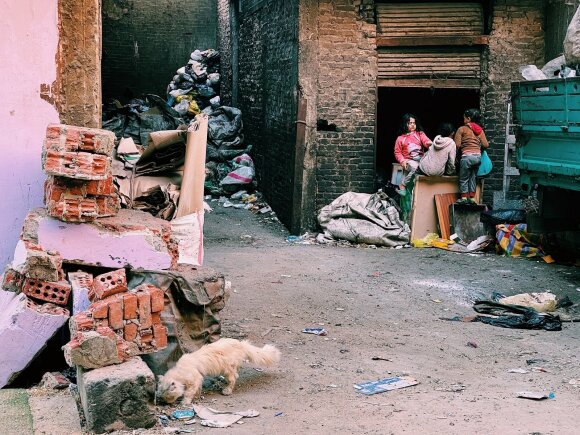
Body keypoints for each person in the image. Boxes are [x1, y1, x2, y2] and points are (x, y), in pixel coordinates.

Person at [454, 108, 489, 204]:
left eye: (464, 118)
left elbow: (457, 145)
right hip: (477, 158)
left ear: (468, 119)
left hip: (467, 157)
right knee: (472, 178)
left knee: (464, 178)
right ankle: (472, 198)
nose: (463, 120)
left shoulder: (462, 129)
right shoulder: (480, 131)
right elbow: (486, 145)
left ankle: (464, 198)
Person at [393, 113, 432, 195]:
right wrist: (402, 161)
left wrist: (429, 143)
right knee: (416, 168)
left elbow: (425, 140)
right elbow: (397, 152)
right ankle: (402, 185)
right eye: (410, 123)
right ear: (405, 124)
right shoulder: (400, 139)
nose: (413, 125)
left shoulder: (419, 134)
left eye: (414, 123)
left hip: (421, 159)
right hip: (409, 161)